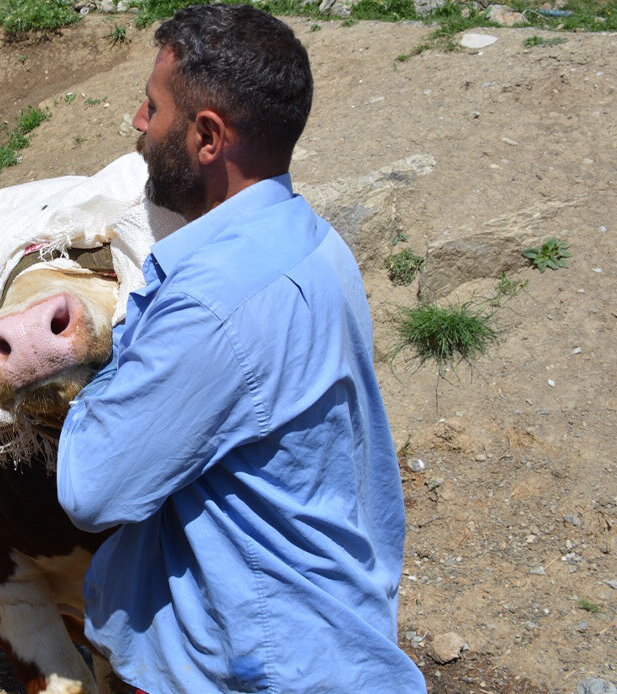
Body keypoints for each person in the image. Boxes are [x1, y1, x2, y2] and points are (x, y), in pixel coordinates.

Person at [55, 4, 427, 692]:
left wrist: (93, 364)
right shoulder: (312, 240)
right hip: (324, 638)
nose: (138, 122)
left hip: (250, 669)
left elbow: (92, 486)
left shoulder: (210, 306)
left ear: (206, 137)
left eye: (153, 106)